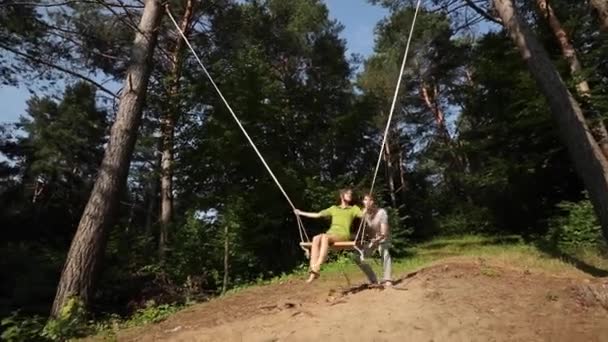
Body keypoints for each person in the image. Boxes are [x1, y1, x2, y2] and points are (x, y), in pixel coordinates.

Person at [294, 188, 364, 283]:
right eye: (348, 194)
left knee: (324, 237)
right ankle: (313, 270)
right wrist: (300, 213)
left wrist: (366, 208)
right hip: (330, 234)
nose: (350, 195)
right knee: (316, 238)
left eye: (351, 194)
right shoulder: (333, 208)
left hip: (343, 235)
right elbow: (317, 215)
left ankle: (318, 265)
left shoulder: (353, 209)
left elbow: (362, 215)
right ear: (341, 196)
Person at [354, 193, 392, 287]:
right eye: (365, 200)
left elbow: (384, 232)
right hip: (371, 240)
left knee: (384, 250)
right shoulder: (363, 213)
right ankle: (373, 279)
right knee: (357, 257)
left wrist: (378, 239)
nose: (368, 202)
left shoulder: (381, 212)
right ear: (363, 202)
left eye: (370, 200)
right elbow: (359, 230)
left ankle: (388, 279)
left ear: (373, 202)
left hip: (382, 238)